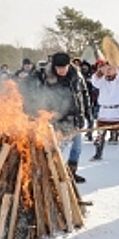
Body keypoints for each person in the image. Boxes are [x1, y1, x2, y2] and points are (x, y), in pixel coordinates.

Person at [37, 52, 90, 183]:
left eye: (64, 67)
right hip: (58, 120)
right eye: (58, 68)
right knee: (57, 148)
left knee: (77, 148)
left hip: (76, 118)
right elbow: (42, 100)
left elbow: (84, 94)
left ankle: (71, 173)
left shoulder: (77, 76)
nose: (61, 70)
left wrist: (87, 113)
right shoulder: (47, 78)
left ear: (68, 65)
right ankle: (53, 173)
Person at [90, 61, 119, 162]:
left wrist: (117, 62)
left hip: (117, 111)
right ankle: (98, 154)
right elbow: (95, 82)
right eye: (106, 68)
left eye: (110, 68)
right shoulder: (102, 80)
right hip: (104, 111)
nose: (108, 70)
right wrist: (100, 71)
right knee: (100, 135)